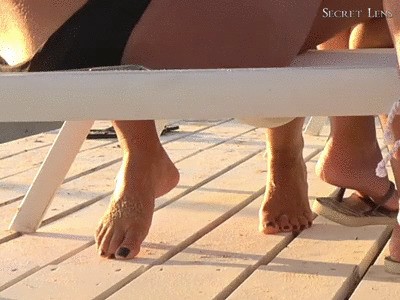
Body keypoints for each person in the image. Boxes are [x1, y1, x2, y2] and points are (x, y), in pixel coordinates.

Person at [1, 0, 400, 261]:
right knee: (377, 7)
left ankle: (143, 154)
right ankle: (333, 151)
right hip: (158, 19)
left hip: (30, 36)